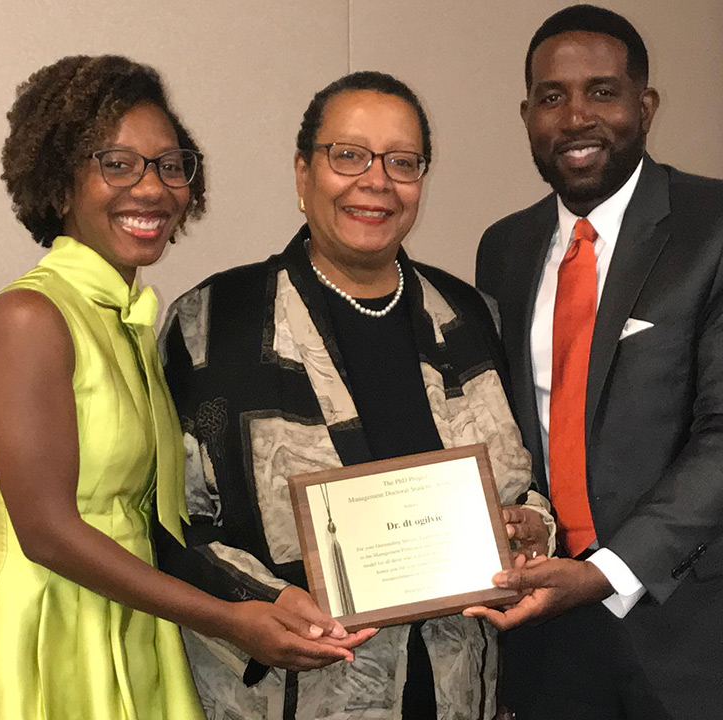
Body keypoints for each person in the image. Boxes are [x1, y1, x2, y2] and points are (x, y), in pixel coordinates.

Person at [0, 55, 370, 720]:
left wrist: (259, 598)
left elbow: (154, 520)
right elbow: (49, 534)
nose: (153, 188)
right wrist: (231, 621)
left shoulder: (125, 324)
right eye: (116, 163)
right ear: (59, 181)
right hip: (39, 636)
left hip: (129, 625)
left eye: (170, 165)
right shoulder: (30, 318)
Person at [466, 6, 723, 720]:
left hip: (711, 622)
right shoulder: (504, 249)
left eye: (603, 92)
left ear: (644, 106)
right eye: (552, 97)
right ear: (526, 115)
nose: (576, 116)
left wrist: (609, 570)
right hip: (555, 625)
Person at [155, 70, 550, 719]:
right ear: (303, 172)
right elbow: (169, 520)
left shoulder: (472, 318)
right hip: (293, 695)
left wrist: (533, 526)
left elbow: (523, 484)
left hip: (454, 689)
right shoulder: (214, 324)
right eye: (349, 156)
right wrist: (251, 604)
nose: (377, 181)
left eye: (403, 161)